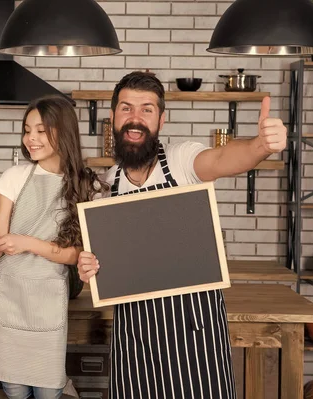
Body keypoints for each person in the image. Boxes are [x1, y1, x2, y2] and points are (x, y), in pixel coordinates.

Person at [76, 71, 287, 399]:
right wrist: (88, 267)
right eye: (126, 108)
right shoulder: (103, 187)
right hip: (134, 336)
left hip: (194, 333)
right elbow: (101, 269)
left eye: (146, 109)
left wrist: (260, 145)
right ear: (113, 116)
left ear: (161, 119)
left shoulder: (181, 162)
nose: (135, 118)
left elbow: (223, 159)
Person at [0, 95, 107, 399]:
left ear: (64, 131)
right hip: (4, 294)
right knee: (14, 391)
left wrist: (29, 243)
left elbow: (78, 254)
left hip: (46, 297)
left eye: (41, 130)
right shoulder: (14, 177)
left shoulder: (88, 185)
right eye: (27, 130)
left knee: (48, 390)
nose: (31, 138)